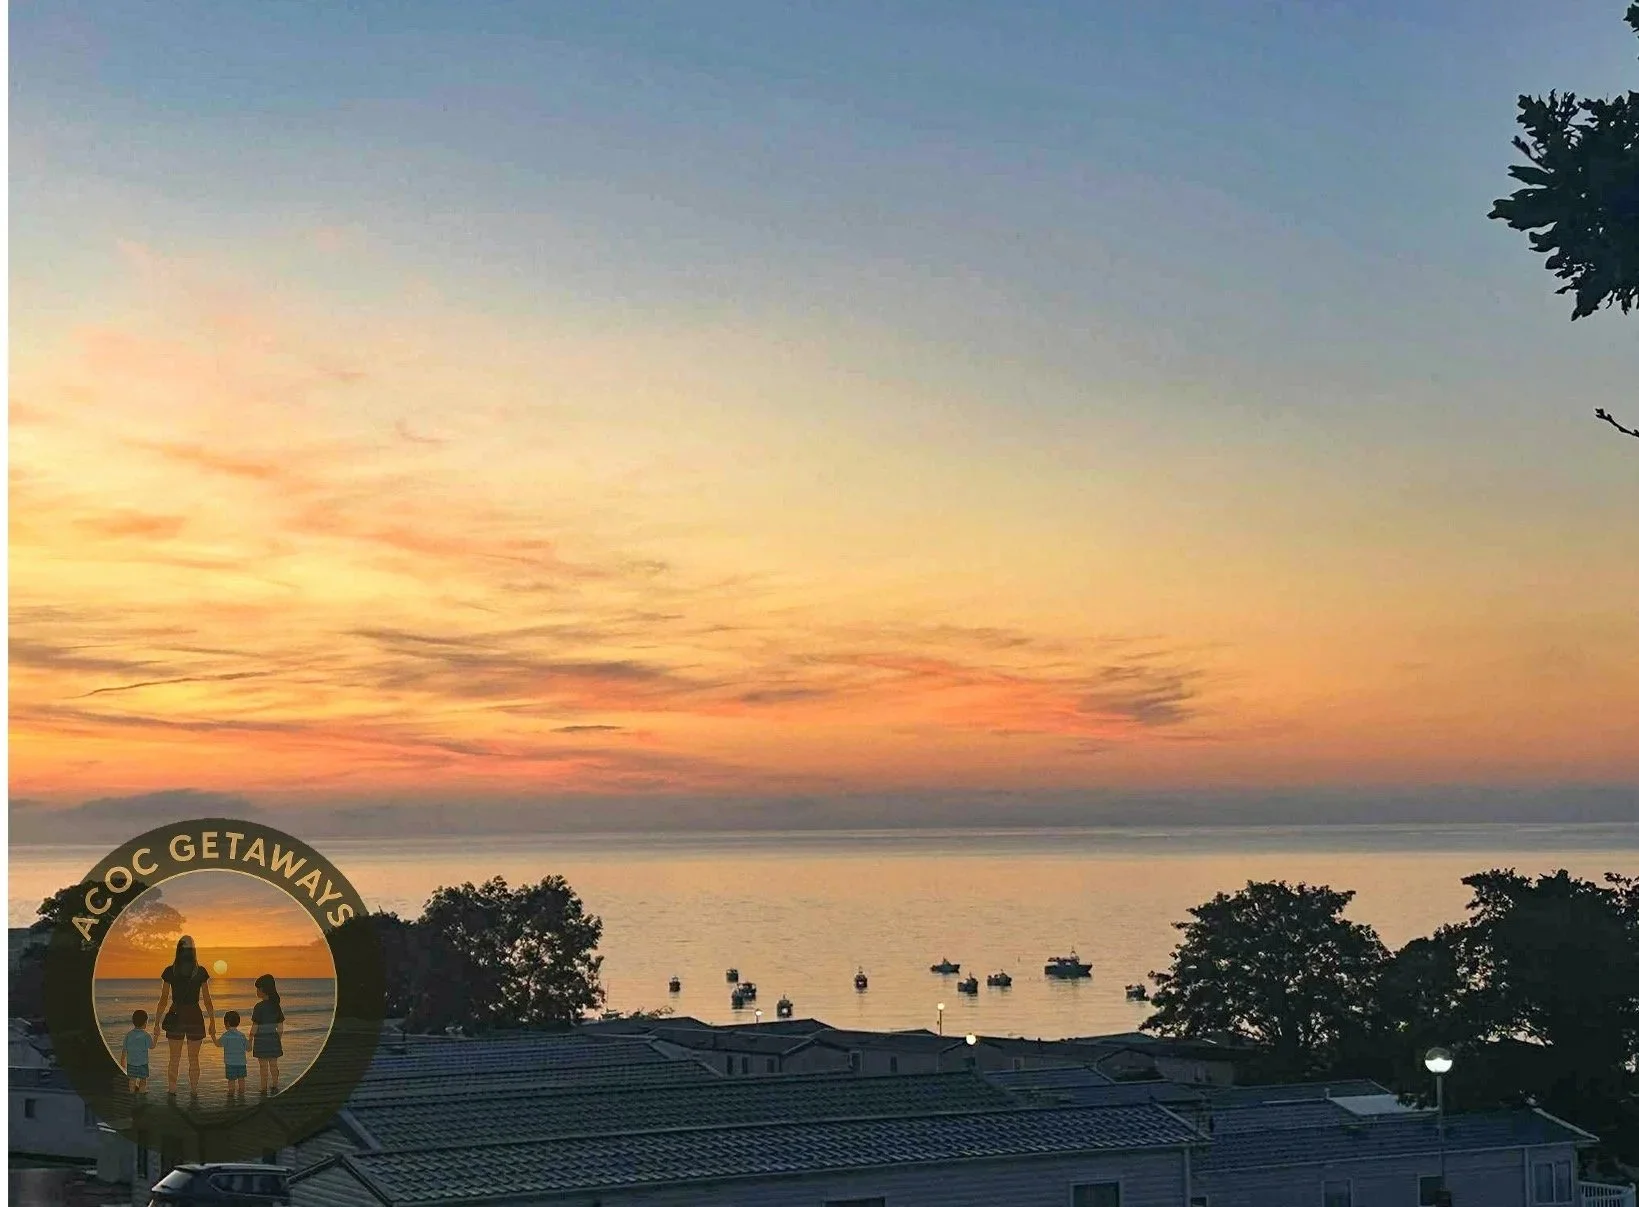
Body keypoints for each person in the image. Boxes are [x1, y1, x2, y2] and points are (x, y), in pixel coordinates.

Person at [152, 935, 215, 1099]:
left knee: (174, 1058)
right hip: (194, 1015)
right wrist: (212, 1021)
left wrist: (157, 1022)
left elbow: (163, 999)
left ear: (178, 950)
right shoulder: (200, 971)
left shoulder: (170, 971)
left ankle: (172, 1090)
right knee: (194, 1059)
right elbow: (207, 1000)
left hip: (176, 1014)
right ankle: (193, 1091)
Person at [250, 973, 284, 1095]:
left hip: (261, 1041)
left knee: (263, 1066)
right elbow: (280, 1027)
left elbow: (255, 1026)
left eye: (257, 989)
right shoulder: (276, 1006)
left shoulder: (258, 1007)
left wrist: (250, 1039)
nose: (256, 991)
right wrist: (277, 1039)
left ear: (263, 990)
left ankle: (263, 1087)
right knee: (274, 1065)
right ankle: (275, 1084)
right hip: (273, 1039)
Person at [215, 1010, 249, 1105]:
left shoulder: (226, 1036)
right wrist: (251, 1039)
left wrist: (213, 1036)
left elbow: (218, 1044)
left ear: (227, 1023)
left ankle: (231, 1098)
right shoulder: (242, 1035)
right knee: (241, 1080)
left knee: (231, 1081)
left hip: (230, 1063)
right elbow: (248, 1048)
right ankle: (242, 1097)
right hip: (241, 1063)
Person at [122, 1009, 153, 1095]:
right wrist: (156, 1036)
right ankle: (142, 1093)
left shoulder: (129, 1035)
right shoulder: (146, 1035)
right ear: (145, 1022)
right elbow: (151, 1046)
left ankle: (132, 1093)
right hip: (143, 1063)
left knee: (132, 1079)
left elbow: (124, 1049)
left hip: (131, 1063)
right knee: (143, 1080)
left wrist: (122, 1060)